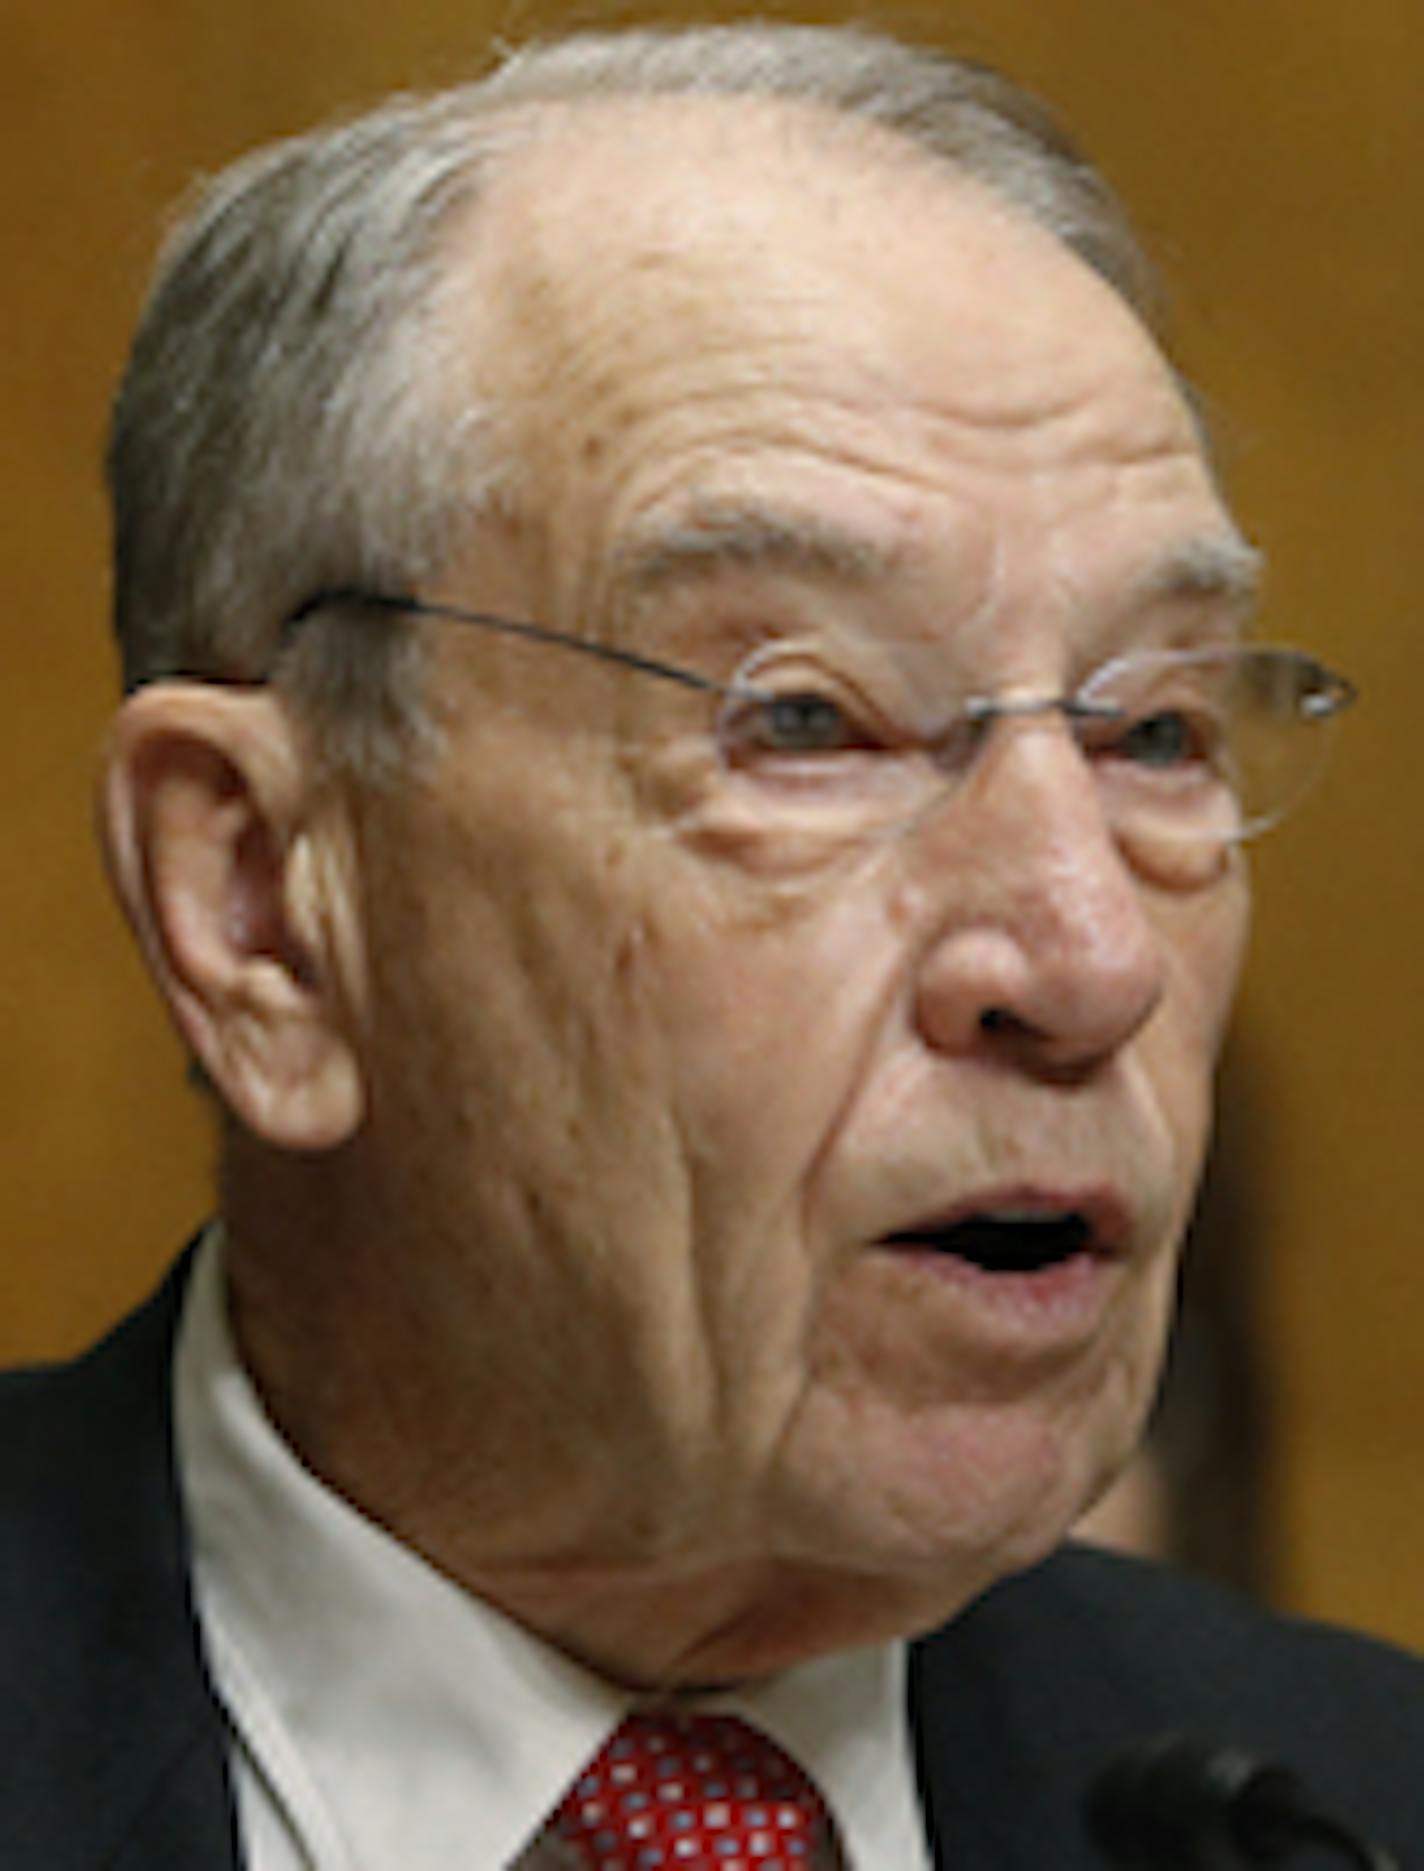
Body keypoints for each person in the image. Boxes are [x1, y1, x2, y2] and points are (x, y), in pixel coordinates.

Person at [4, 21, 1420, 1870]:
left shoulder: (1349, 1805)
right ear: (267, 901)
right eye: (805, 723)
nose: (1089, 962)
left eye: (1154, 733)